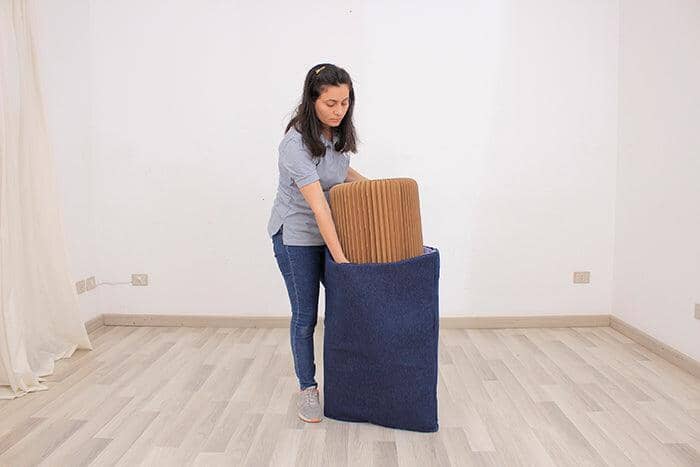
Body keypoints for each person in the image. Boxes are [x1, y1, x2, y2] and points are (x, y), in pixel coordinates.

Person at [267, 63, 367, 423]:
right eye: (330, 103)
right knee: (305, 316)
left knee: (349, 308)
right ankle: (308, 388)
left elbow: (339, 171)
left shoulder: (336, 133)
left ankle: (352, 381)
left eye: (345, 102)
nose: (339, 111)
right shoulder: (294, 145)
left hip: (327, 231)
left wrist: (375, 188)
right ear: (312, 101)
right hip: (296, 237)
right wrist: (341, 261)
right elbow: (319, 207)